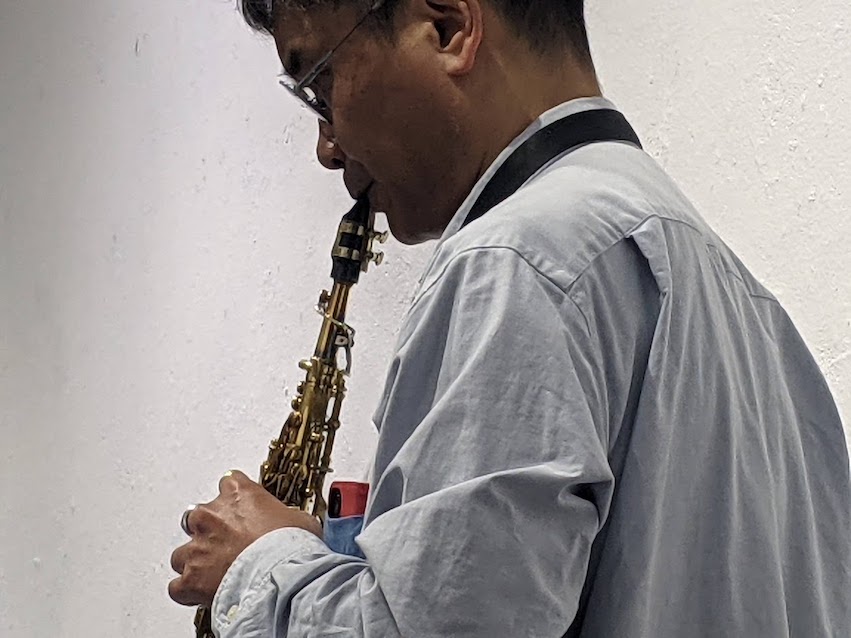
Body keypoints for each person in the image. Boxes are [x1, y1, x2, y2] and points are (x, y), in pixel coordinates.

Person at [168, 0, 851, 635]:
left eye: (319, 84)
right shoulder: (751, 309)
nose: (326, 147)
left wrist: (257, 567)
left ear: (446, 28)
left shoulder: (512, 261)